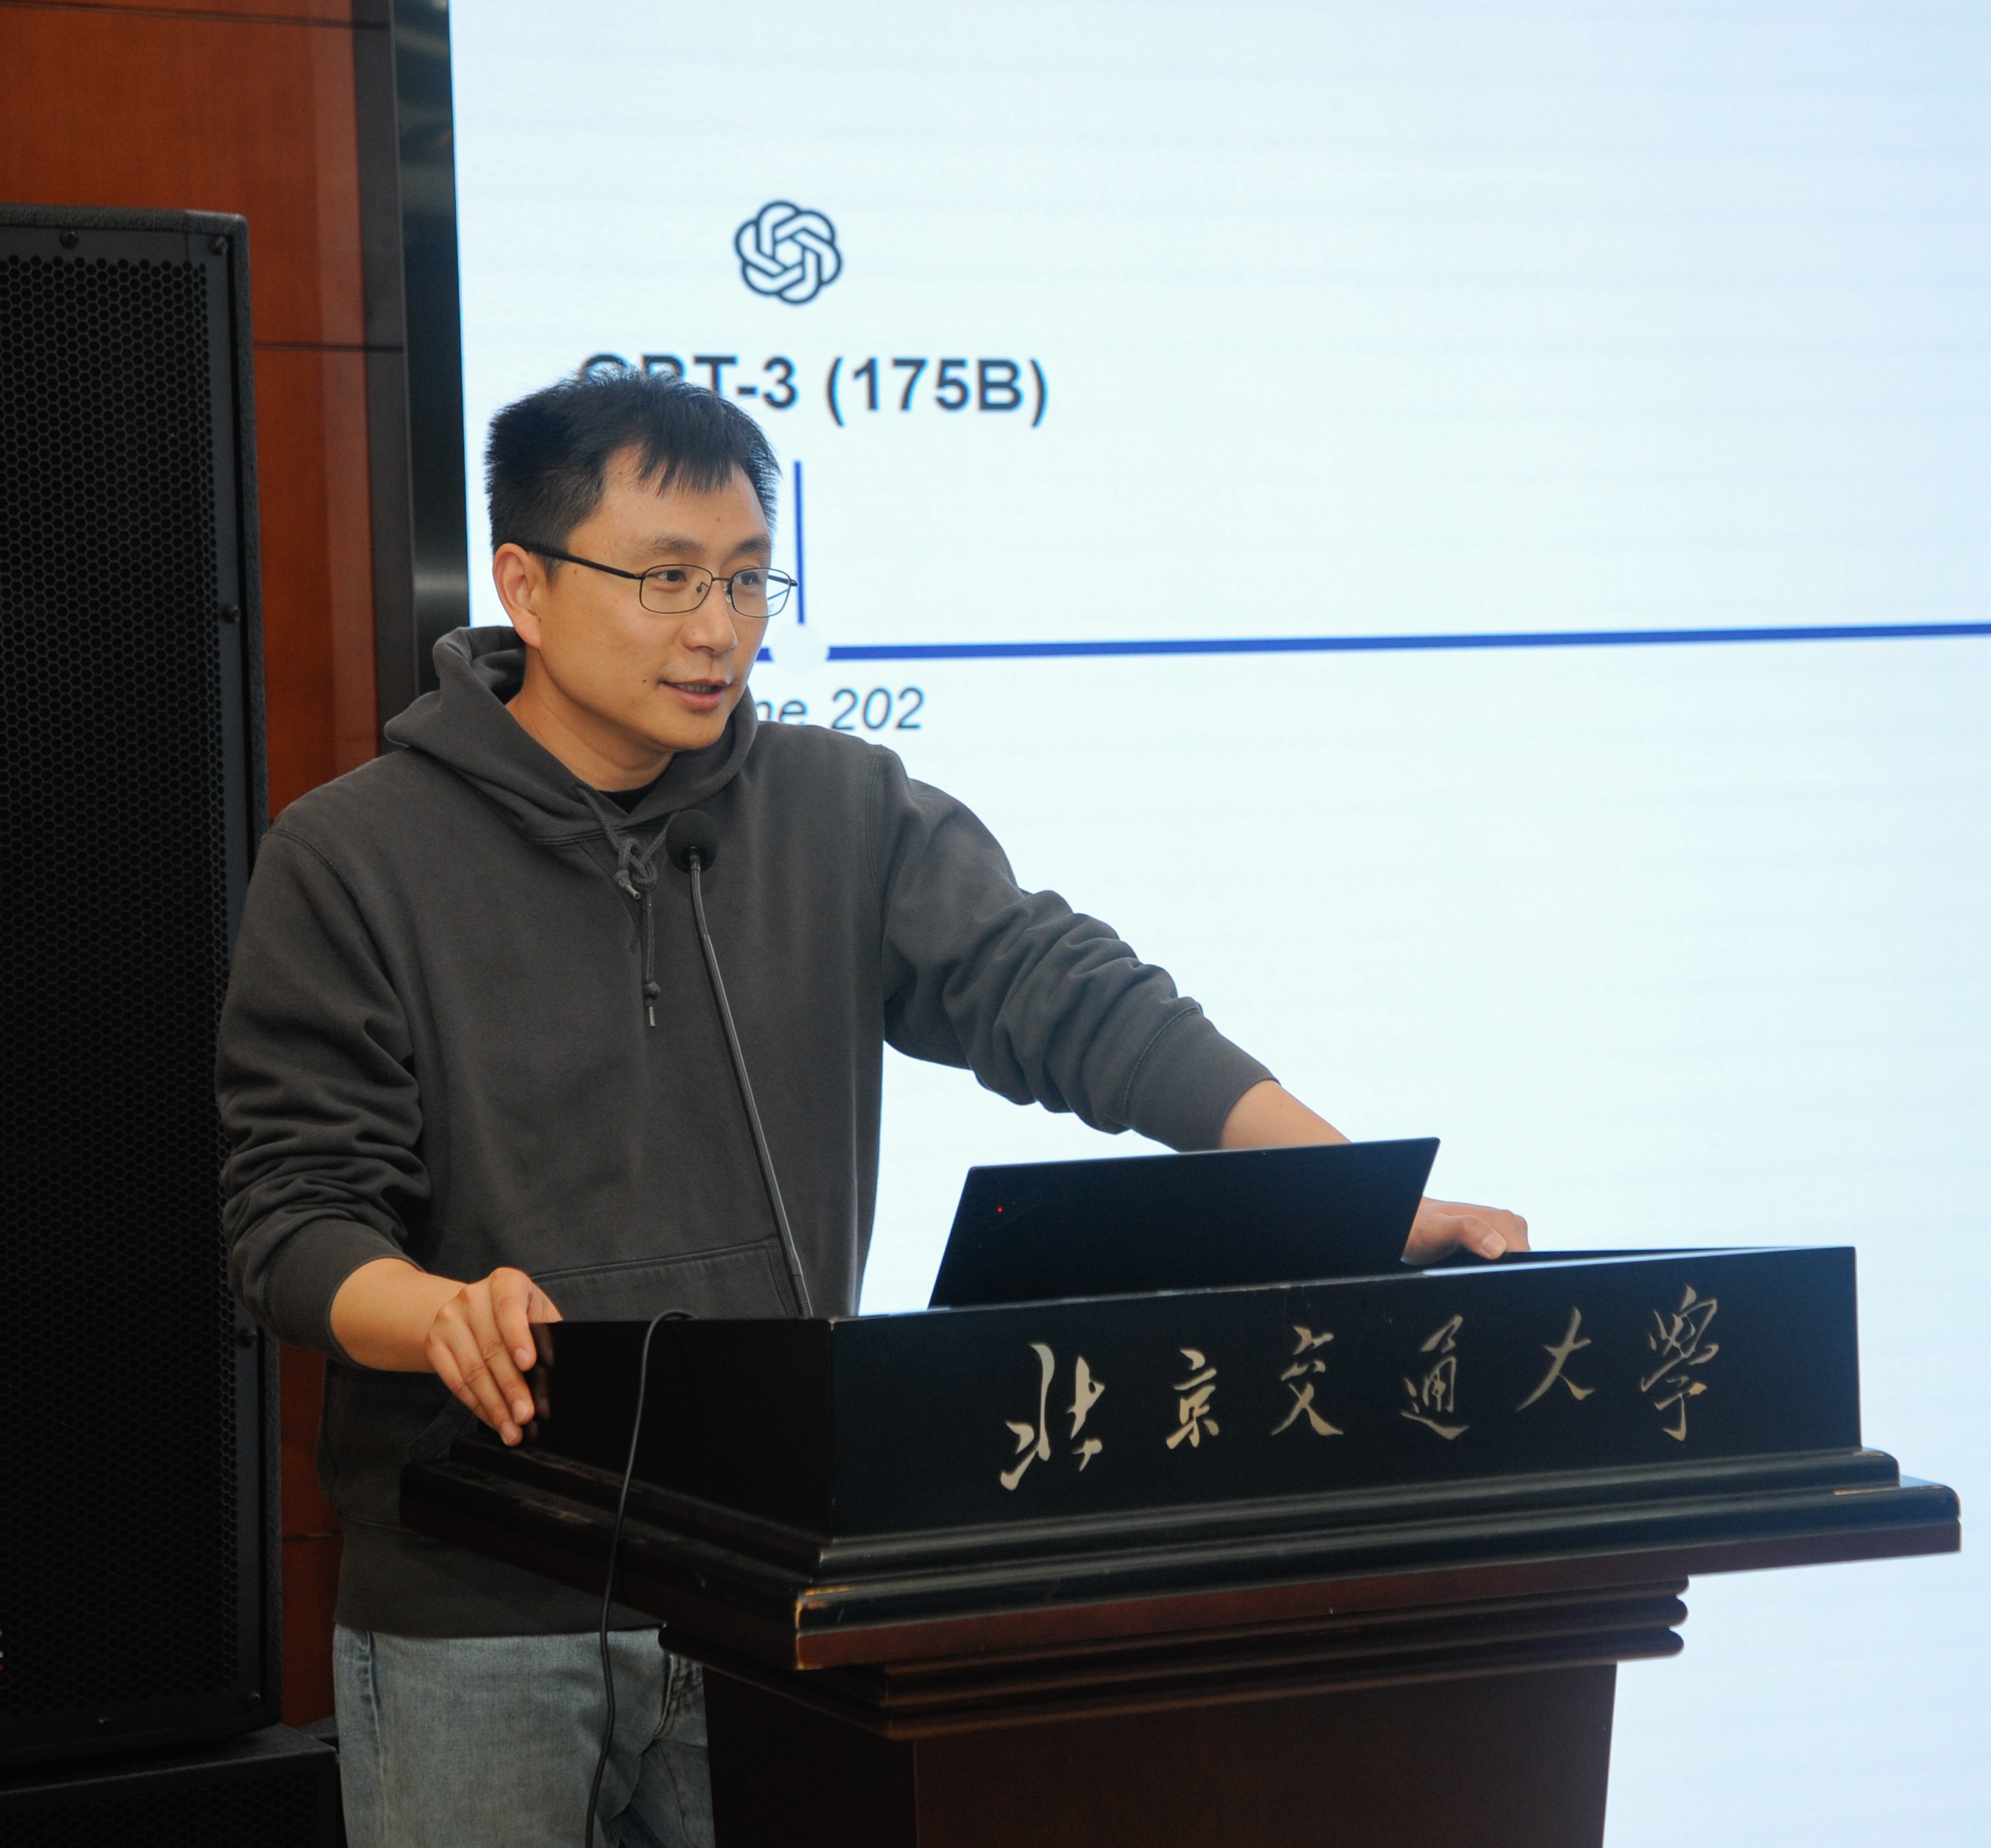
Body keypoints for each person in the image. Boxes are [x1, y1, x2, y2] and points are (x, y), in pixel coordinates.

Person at [217, 366, 1528, 1848]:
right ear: (525, 582)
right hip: (477, 1605)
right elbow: (291, 1216)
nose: (718, 629)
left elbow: (1076, 1001)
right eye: (665, 579)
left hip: (772, 1575)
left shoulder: (841, 807)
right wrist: (433, 1313)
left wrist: (1344, 1195)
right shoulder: (353, 857)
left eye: (746, 578)